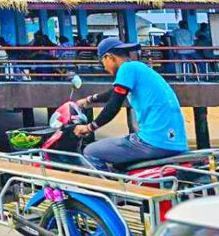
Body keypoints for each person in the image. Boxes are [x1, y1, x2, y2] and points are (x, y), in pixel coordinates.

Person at [74, 38, 188, 171]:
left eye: (102, 62)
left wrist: (89, 128)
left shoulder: (126, 68)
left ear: (109, 57)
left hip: (154, 141)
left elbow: (113, 105)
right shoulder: (138, 68)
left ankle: (108, 185)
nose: (104, 67)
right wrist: (88, 100)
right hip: (176, 142)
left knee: (91, 151)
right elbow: (114, 93)